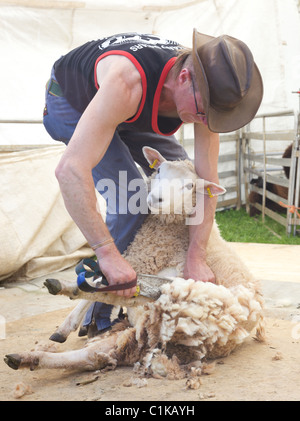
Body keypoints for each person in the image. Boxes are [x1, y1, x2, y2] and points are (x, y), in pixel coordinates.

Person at [43, 29, 263, 336]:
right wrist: (107, 252)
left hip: (132, 110)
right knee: (130, 196)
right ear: (184, 77)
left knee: (183, 175)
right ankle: (101, 305)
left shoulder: (205, 95)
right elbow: (70, 170)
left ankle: (166, 267)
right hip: (71, 100)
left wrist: (196, 257)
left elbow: (206, 181)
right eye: (203, 113)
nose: (205, 122)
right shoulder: (127, 81)